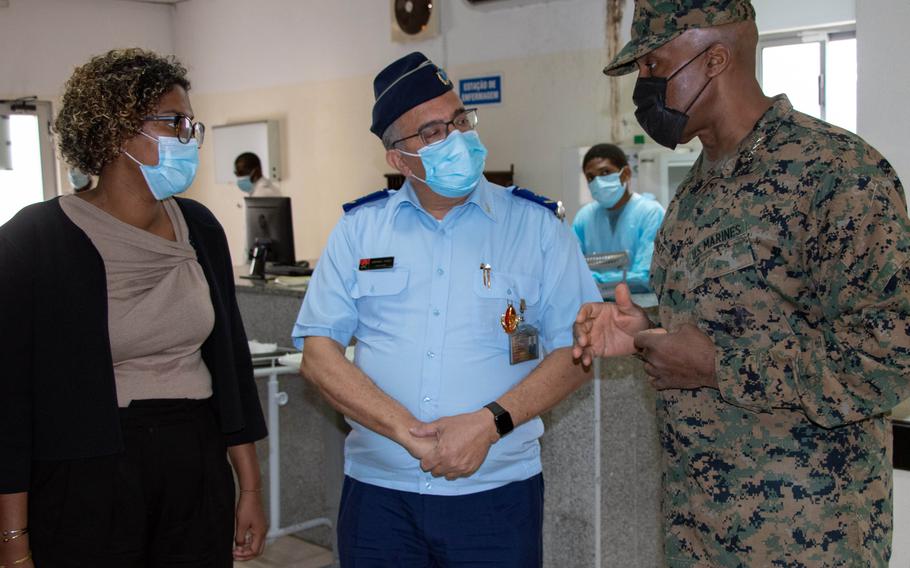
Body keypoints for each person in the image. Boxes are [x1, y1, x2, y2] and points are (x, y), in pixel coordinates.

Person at [574, 0, 910, 565]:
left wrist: (719, 367)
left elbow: (889, 355)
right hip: (698, 530)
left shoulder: (837, 173)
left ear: (715, 59)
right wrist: (649, 331)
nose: (644, 90)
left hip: (806, 536)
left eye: (654, 67)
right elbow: (734, 325)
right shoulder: (694, 192)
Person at [293, 51, 600, 567]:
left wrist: (489, 423)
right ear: (398, 158)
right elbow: (318, 353)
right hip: (379, 497)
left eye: (459, 120)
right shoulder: (360, 231)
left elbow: (578, 350)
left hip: (497, 497)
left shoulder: (537, 227)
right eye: (432, 132)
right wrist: (404, 431)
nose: (455, 138)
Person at [0, 48, 268, 568]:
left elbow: (229, 364)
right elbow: (10, 403)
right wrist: (14, 541)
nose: (189, 137)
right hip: (86, 474)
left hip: (194, 460)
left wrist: (250, 488)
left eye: (192, 123)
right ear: (119, 130)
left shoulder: (201, 228)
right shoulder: (32, 242)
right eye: (174, 122)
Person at [573, 143, 664, 292]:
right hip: (595, 308)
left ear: (626, 173)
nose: (597, 182)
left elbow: (645, 276)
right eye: (590, 177)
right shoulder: (584, 218)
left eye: (605, 172)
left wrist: (595, 280)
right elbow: (572, 270)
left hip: (641, 308)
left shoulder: (650, 213)